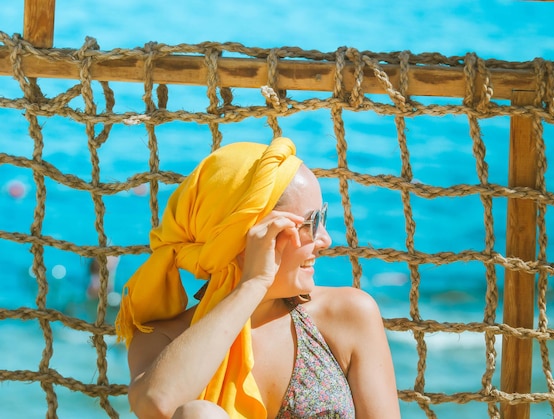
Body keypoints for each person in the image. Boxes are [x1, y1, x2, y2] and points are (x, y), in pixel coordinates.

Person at [115, 137, 400, 419]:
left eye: (322, 219)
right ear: (245, 239)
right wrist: (252, 284)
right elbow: (156, 403)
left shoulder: (346, 314)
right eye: (310, 224)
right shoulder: (163, 339)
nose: (325, 239)